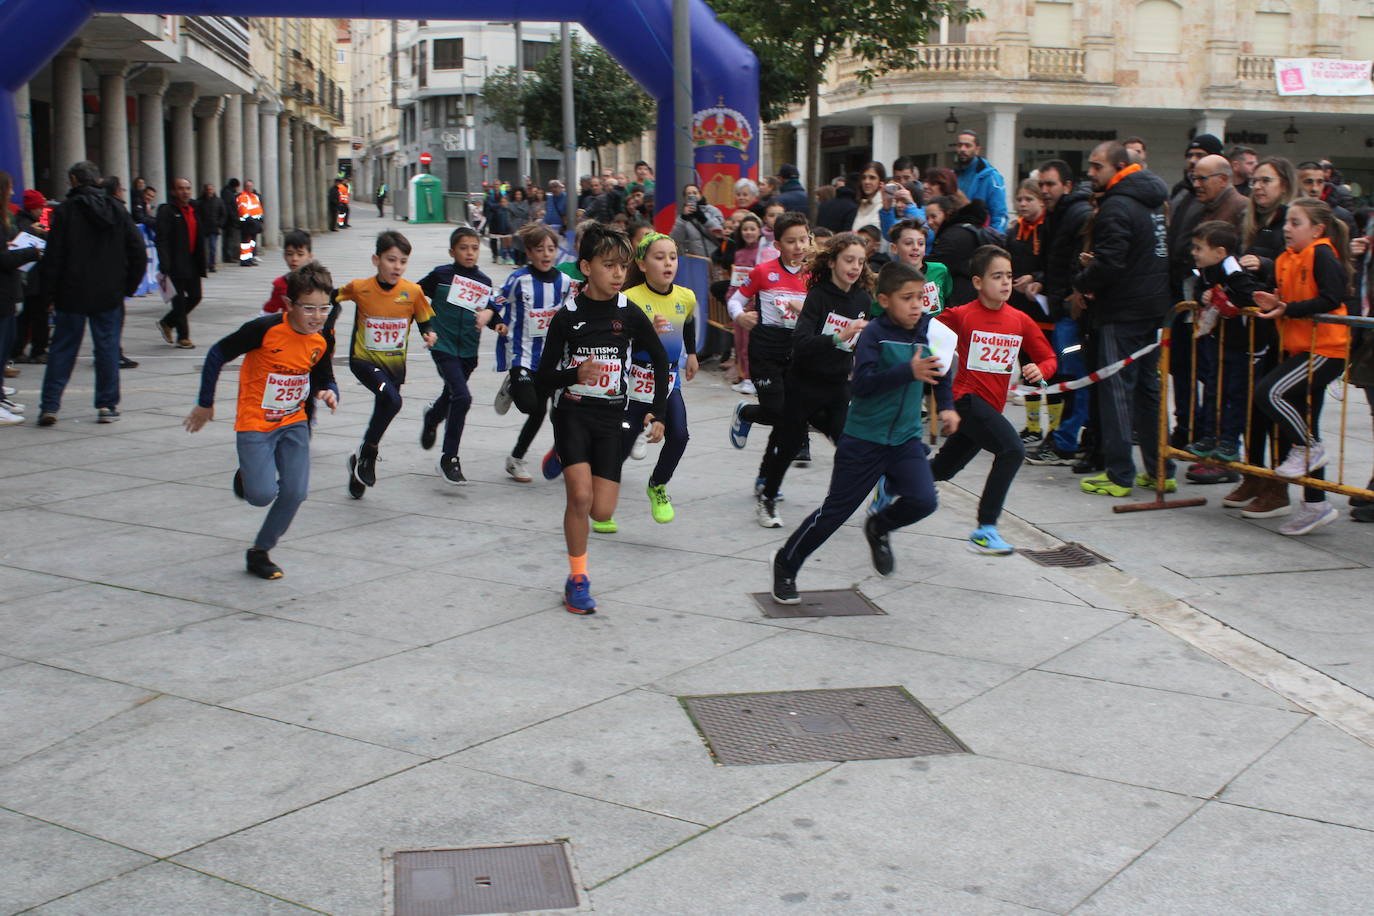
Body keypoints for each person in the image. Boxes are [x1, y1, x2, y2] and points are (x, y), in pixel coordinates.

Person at [771, 260, 955, 603]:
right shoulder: (873, 334)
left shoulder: (928, 329)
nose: (917, 305)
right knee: (834, 514)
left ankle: (880, 526)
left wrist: (947, 406)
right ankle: (786, 563)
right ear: (884, 300)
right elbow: (863, 386)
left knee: (924, 500)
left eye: (920, 298)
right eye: (907, 298)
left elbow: (940, 370)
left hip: (904, 440)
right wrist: (908, 371)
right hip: (864, 441)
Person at [535, 223, 669, 614]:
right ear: (585, 267)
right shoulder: (567, 317)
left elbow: (659, 359)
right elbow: (544, 378)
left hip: (613, 417)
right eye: (608, 265)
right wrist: (574, 375)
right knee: (580, 497)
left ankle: (561, 458)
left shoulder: (630, 313)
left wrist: (657, 412)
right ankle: (578, 579)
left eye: (623, 267)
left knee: (602, 511)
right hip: (572, 413)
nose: (617, 274)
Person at [184, 261, 340, 579]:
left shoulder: (322, 339)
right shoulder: (264, 330)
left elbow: (324, 375)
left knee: (296, 492)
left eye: (324, 308)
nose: (317, 317)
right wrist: (205, 403)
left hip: (294, 422)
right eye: (309, 309)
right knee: (261, 495)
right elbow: (217, 353)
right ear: (288, 305)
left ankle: (260, 551)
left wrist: (329, 391)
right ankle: (249, 475)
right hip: (256, 421)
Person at [930, 245, 1057, 553]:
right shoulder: (961, 315)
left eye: (1009, 277)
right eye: (997, 276)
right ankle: (986, 528)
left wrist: (1038, 369)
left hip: (991, 406)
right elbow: (925, 332)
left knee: (944, 470)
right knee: (1012, 450)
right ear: (977, 282)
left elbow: (1049, 358)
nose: (1005, 283)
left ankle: (892, 481)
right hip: (966, 399)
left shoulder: (1021, 320)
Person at [1073, 141, 1173, 497]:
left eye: (1097, 166)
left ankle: (1119, 474)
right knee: (1149, 391)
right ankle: (1162, 468)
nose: (1091, 173)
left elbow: (1113, 261)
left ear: (1118, 166)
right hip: (1152, 308)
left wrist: (1084, 280)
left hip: (1123, 311)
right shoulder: (1154, 201)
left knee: (1117, 391)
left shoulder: (1117, 204)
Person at [754, 232, 871, 529]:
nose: (855, 267)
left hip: (837, 385)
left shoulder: (862, 298)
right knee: (790, 442)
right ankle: (767, 497)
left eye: (860, 261)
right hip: (803, 382)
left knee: (847, 443)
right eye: (848, 260)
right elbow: (802, 341)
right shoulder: (818, 295)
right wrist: (838, 337)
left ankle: (836, 503)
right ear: (832, 262)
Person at [1251, 198, 1351, 535]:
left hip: (1326, 348)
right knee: (1302, 419)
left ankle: (1308, 449)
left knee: (1269, 393)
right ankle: (1315, 504)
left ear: (1318, 229)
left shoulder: (1322, 252)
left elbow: (1332, 297)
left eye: (1296, 223)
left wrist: (1288, 309)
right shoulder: (1283, 259)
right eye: (1287, 223)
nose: (1287, 229)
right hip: (1299, 347)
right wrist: (1273, 302)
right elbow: (1288, 300)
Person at [36, 160, 146, 427]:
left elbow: (54, 257)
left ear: (74, 180)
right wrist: (126, 288)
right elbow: (138, 252)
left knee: (62, 348)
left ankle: (50, 405)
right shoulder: (116, 210)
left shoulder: (64, 212)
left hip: (71, 293)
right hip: (108, 292)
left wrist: (48, 294)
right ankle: (107, 405)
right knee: (107, 349)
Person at [1225, 156, 1298, 517]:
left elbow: (1293, 267)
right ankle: (1253, 474)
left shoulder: (1290, 221)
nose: (1258, 187)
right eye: (1254, 180)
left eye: (1266, 180)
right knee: (1251, 407)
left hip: (1285, 331)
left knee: (1277, 406)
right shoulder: (1251, 223)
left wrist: (1264, 265)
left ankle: (1279, 486)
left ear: (1284, 184)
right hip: (1250, 325)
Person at [337, 230, 436, 496]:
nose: (397, 266)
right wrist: (325, 322)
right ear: (376, 259)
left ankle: (359, 464)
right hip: (363, 361)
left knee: (384, 407)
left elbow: (425, 317)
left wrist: (429, 332)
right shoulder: (360, 288)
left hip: (394, 366)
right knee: (392, 401)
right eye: (391, 260)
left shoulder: (412, 292)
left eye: (403, 261)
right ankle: (368, 453)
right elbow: (332, 298)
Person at [416, 226, 507, 484]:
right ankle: (449, 458)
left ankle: (432, 416)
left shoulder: (485, 282)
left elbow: (490, 312)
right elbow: (415, 294)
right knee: (463, 397)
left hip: (469, 350)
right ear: (452, 251)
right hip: (443, 347)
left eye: (474, 248)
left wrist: (497, 324)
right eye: (464, 248)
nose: (469, 253)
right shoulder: (440, 275)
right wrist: (427, 326)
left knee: (452, 395)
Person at [727, 212, 811, 483]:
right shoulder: (764, 272)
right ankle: (747, 412)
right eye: (791, 241)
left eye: (803, 240)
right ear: (777, 246)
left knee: (792, 415)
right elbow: (735, 300)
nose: (798, 247)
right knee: (776, 411)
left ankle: (769, 478)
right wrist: (740, 317)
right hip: (765, 350)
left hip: (798, 352)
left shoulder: (814, 276)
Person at [621, 232, 697, 524]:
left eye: (673, 257)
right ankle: (599, 493)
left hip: (667, 380)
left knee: (679, 435)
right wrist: (645, 332)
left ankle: (658, 485)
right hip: (634, 381)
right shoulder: (629, 299)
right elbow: (619, 343)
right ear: (641, 264)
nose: (668, 263)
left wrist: (691, 354)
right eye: (659, 257)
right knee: (623, 445)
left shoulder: (685, 296)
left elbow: (687, 323)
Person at [1026, 159, 1095, 467]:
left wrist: (1072, 294)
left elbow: (1078, 261)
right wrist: (1040, 278)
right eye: (1041, 184)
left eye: (1050, 184)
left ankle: (1066, 440)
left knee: (1073, 377)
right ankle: (1068, 438)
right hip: (1060, 308)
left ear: (1067, 186)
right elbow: (1056, 260)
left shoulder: (1077, 213)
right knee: (1068, 375)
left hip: (1072, 313)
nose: (1045, 190)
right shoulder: (1057, 214)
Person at [494, 223, 574, 482]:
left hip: (552, 360)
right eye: (540, 249)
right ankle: (514, 385)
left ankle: (515, 459)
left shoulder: (564, 281)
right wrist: (492, 316)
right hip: (523, 355)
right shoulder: (519, 279)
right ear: (529, 252)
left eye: (551, 249)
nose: (546, 254)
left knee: (546, 412)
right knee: (530, 406)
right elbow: (497, 299)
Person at [1184, 220, 1266, 474]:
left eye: (1199, 248)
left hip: (1239, 344)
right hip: (1215, 340)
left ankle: (1229, 441)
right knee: (1212, 389)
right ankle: (1209, 436)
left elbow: (1249, 294)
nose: (1194, 253)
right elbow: (1198, 290)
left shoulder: (1232, 268)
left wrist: (1225, 296)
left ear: (1219, 252)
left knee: (1234, 393)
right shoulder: (1205, 270)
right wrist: (1203, 297)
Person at [1004, 180, 1055, 447]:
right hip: (1020, 310)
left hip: (1045, 310)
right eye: (1019, 199)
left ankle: (1054, 429)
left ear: (1041, 201)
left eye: (1029, 199)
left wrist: (1035, 278)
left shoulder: (1049, 230)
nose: (1022, 204)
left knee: (1051, 373)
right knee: (1027, 369)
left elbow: (1054, 265)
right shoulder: (1014, 232)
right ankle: (1033, 426)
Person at [0, 171, 41, 423]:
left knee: (5, 346)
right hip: (1, 292)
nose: (12, 193)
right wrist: (28, 253)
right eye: (9, 188)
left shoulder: (5, 218)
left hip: (6, 291)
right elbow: (2, 258)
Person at [153, 177, 206, 349]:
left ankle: (167, 322)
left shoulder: (194, 209)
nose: (185, 192)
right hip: (175, 262)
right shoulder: (167, 211)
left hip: (192, 261)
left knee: (196, 296)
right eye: (181, 188)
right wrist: (164, 262)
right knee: (179, 301)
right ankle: (183, 337)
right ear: (173, 192)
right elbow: (161, 239)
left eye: (188, 188)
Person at [10, 188, 49, 367]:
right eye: (39, 207)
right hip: (30, 277)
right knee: (34, 315)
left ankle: (23, 349)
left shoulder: (33, 222)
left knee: (29, 316)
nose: (42, 211)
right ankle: (35, 350)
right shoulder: (23, 223)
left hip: (33, 277)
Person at [953, 130, 1008, 232]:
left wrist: (994, 240)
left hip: (981, 238)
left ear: (977, 149)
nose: (962, 149)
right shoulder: (953, 176)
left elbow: (999, 215)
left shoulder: (992, 177)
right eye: (960, 145)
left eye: (967, 146)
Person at [262, 230, 314, 316]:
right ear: (284, 255)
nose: (294, 259)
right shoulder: (280, 284)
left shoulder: (319, 281)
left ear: (310, 256)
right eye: (289, 254)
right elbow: (268, 311)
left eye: (300, 254)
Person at [670, 183, 724, 258]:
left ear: (700, 195)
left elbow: (720, 231)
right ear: (685, 198)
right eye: (689, 194)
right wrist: (683, 219)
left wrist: (703, 218)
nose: (692, 196)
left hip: (715, 258)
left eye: (695, 193)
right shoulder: (682, 218)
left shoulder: (712, 210)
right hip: (696, 259)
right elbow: (675, 239)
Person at [197, 182, 225, 273]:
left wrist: (219, 224)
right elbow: (197, 214)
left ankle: (212, 264)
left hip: (214, 228)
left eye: (211, 189)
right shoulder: (200, 201)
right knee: (204, 248)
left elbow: (223, 213)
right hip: (203, 228)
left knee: (212, 247)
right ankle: (204, 264)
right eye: (208, 190)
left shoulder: (218, 201)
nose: (209, 191)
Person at [851, 163, 886, 234]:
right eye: (863, 178)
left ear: (880, 181)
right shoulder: (860, 204)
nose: (867, 182)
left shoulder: (885, 206)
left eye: (872, 178)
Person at [236, 180, 264, 266]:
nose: (250, 187)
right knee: (246, 243)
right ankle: (244, 260)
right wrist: (250, 220)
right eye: (248, 186)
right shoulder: (242, 197)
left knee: (252, 242)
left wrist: (260, 220)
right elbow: (243, 210)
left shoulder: (255, 196)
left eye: (251, 186)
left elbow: (258, 208)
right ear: (245, 187)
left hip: (255, 222)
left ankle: (249, 258)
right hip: (247, 223)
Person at [220, 178, 241, 264]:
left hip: (229, 220)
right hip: (229, 221)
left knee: (229, 238)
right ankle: (228, 256)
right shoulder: (228, 194)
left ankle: (229, 255)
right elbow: (229, 208)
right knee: (229, 239)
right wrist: (234, 218)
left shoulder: (227, 192)